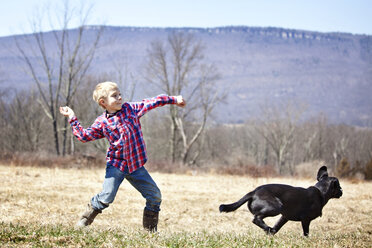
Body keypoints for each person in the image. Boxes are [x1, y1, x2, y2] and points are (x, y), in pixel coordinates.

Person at [59, 81, 186, 231]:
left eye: (120, 94)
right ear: (103, 102)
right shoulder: (102, 122)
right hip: (116, 166)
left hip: (135, 166)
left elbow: (153, 102)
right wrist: (72, 117)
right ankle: (84, 220)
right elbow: (83, 136)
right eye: (114, 96)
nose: (120, 98)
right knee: (106, 198)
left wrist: (174, 99)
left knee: (155, 195)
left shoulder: (130, 109)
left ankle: (150, 232)